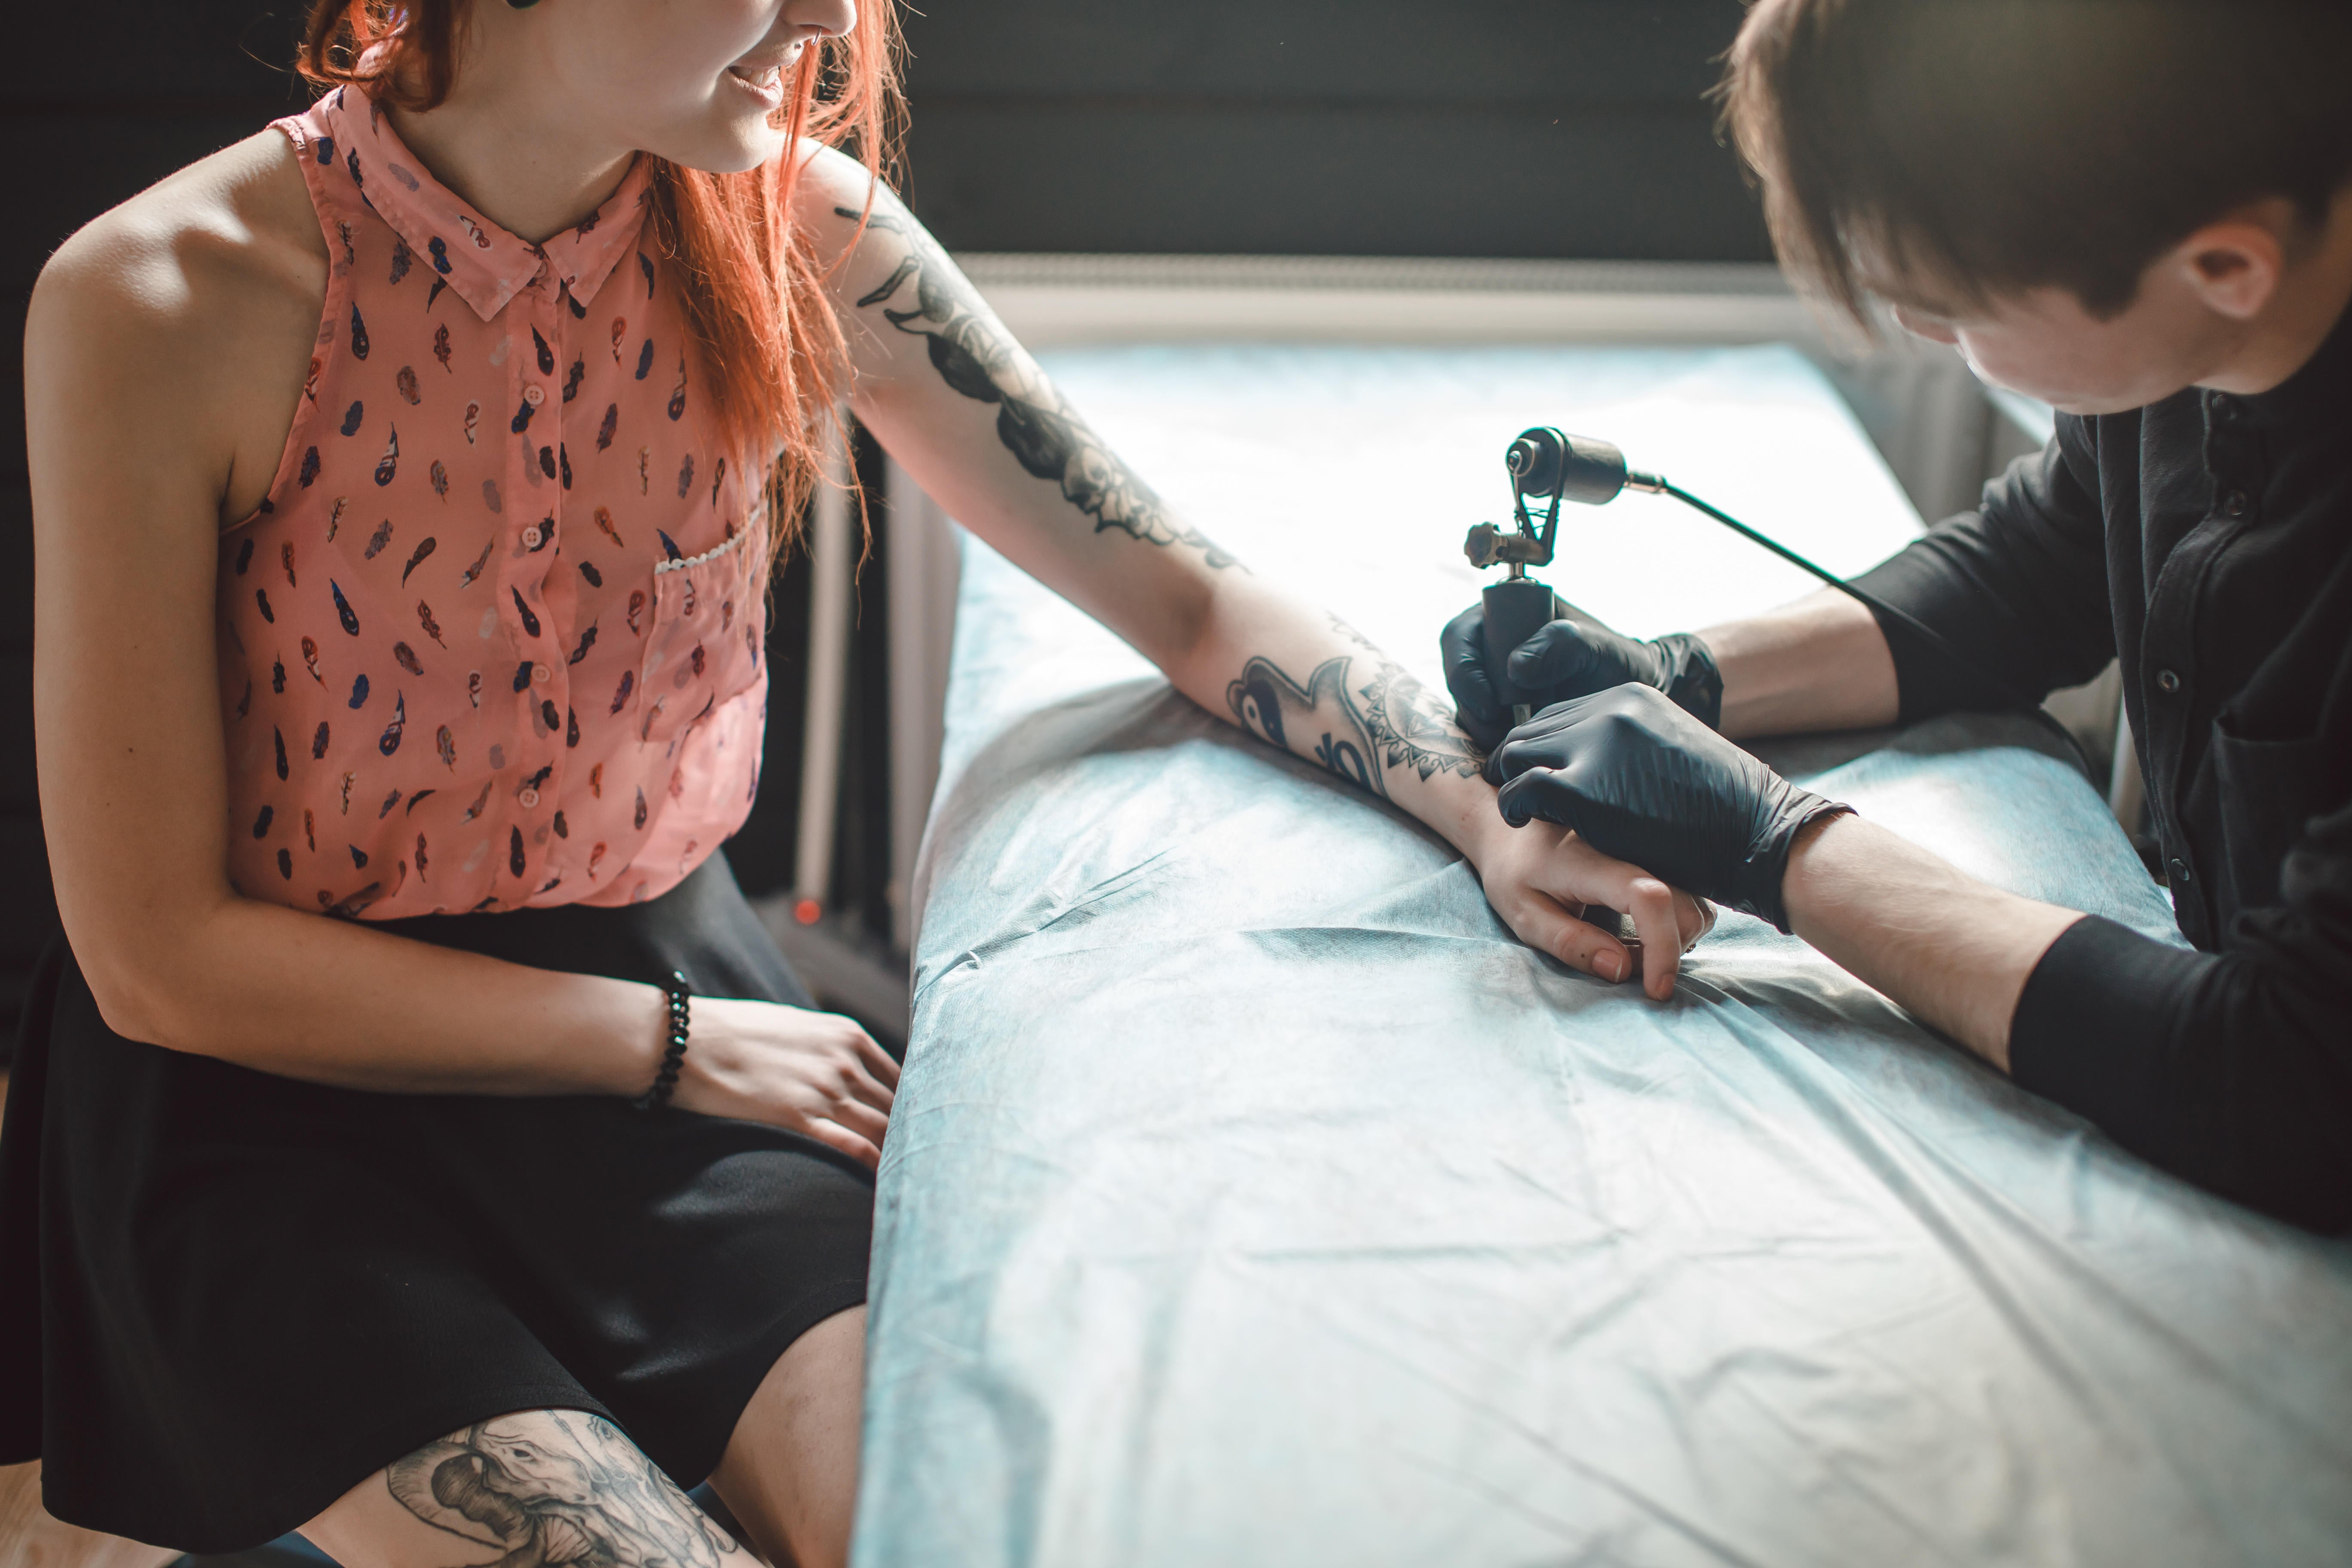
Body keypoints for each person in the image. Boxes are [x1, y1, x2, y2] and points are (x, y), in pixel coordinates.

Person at [0, 1, 1711, 1564]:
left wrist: (1487, 810)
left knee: (939, 1534)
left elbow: (1187, 595)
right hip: (270, 1098)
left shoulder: (806, 233)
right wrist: (680, 1047)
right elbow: (161, 956)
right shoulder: (155, 297)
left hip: (658, 1010)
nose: (826, 20)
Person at [1448, 0, 2352, 1233]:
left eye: (1952, 302)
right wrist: (1682, 674)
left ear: (2224, 268)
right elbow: (2044, 564)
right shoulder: (2187, 304)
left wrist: (1776, 842)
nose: (1924, 332)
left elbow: (2292, 1085)